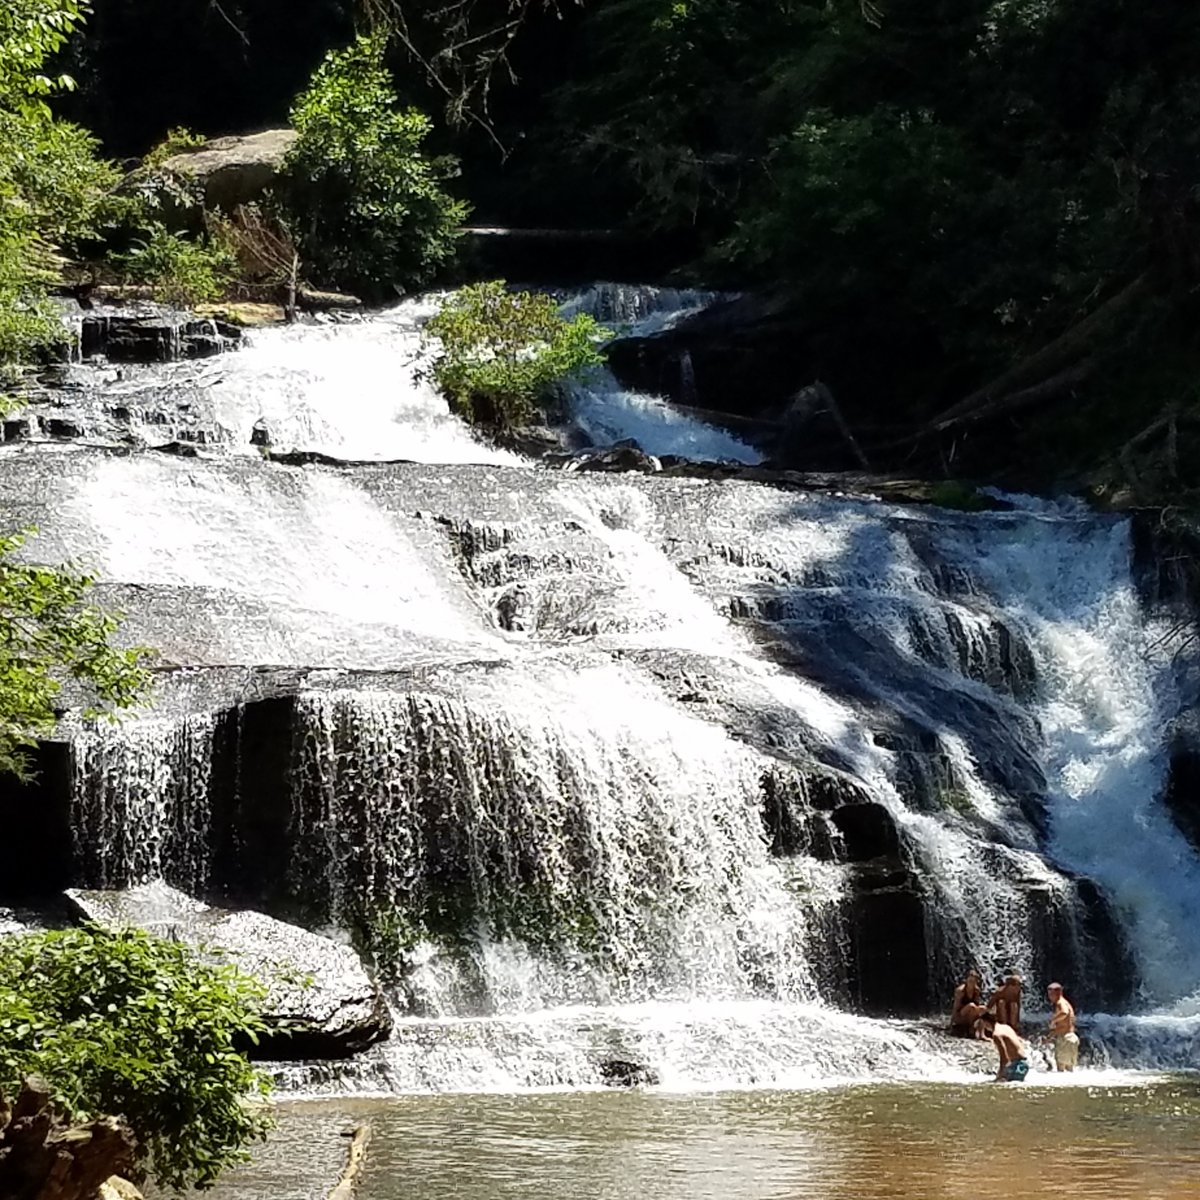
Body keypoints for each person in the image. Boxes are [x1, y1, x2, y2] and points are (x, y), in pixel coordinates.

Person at [975, 1011, 1030, 1082]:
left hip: (1016, 1066)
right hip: (1024, 1063)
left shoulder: (996, 1035)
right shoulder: (1006, 1027)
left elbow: (1004, 1058)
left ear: (985, 1022)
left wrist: (999, 1074)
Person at [1046, 981, 1079, 1072]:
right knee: (1069, 1070)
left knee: (1061, 1069)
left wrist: (1053, 1020)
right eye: (1049, 994)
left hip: (1065, 1039)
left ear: (1059, 993)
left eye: (1051, 994)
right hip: (1071, 1037)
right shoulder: (1066, 1003)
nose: (1050, 997)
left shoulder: (1061, 1003)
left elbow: (1064, 1012)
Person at [949, 968, 986, 1036]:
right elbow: (955, 1008)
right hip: (960, 1015)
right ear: (966, 980)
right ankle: (970, 1027)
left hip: (971, 1014)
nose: (972, 983)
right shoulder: (960, 991)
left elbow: (977, 1004)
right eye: (970, 981)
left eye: (974, 981)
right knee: (971, 1006)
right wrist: (951, 1024)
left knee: (983, 1008)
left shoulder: (977, 990)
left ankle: (976, 1028)